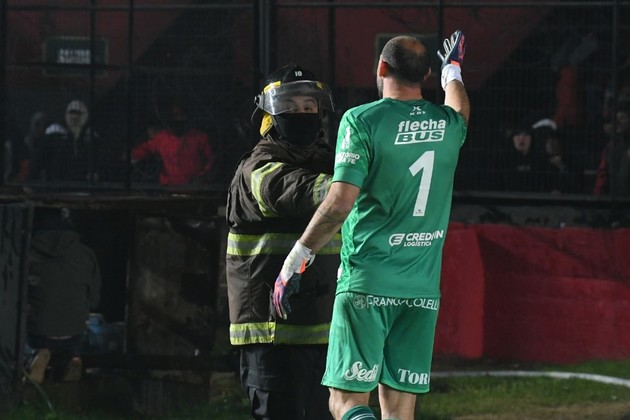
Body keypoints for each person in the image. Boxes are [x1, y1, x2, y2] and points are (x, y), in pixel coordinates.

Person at [273, 31, 470, 420]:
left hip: (368, 281)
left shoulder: (361, 121)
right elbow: (460, 109)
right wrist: (454, 72)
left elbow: (339, 202)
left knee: (346, 402)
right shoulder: (448, 124)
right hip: (422, 292)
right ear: (425, 75)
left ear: (381, 68)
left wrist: (296, 257)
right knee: (400, 410)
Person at [225, 64, 339, 419]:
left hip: (324, 331)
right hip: (271, 335)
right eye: (290, 107)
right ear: (269, 117)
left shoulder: (334, 164)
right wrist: (350, 187)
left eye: (309, 107)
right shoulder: (257, 169)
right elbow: (297, 190)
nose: (301, 114)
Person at [25, 207, 101, 384]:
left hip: (38, 331)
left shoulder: (26, 253)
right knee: (77, 327)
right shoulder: (86, 254)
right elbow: (95, 299)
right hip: (73, 331)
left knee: (23, 326)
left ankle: (35, 355)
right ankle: (73, 358)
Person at [131, 104, 213, 185]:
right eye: (175, 115)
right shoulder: (162, 138)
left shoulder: (200, 137)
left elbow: (212, 160)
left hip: (195, 188)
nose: (178, 118)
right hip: (170, 188)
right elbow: (145, 149)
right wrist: (130, 156)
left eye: (181, 115)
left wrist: (202, 178)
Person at [42, 99, 100, 183]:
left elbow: (97, 158)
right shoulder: (54, 132)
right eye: (72, 112)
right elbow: (42, 156)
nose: (74, 117)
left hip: (83, 184)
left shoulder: (91, 135)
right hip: (58, 183)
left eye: (78, 113)